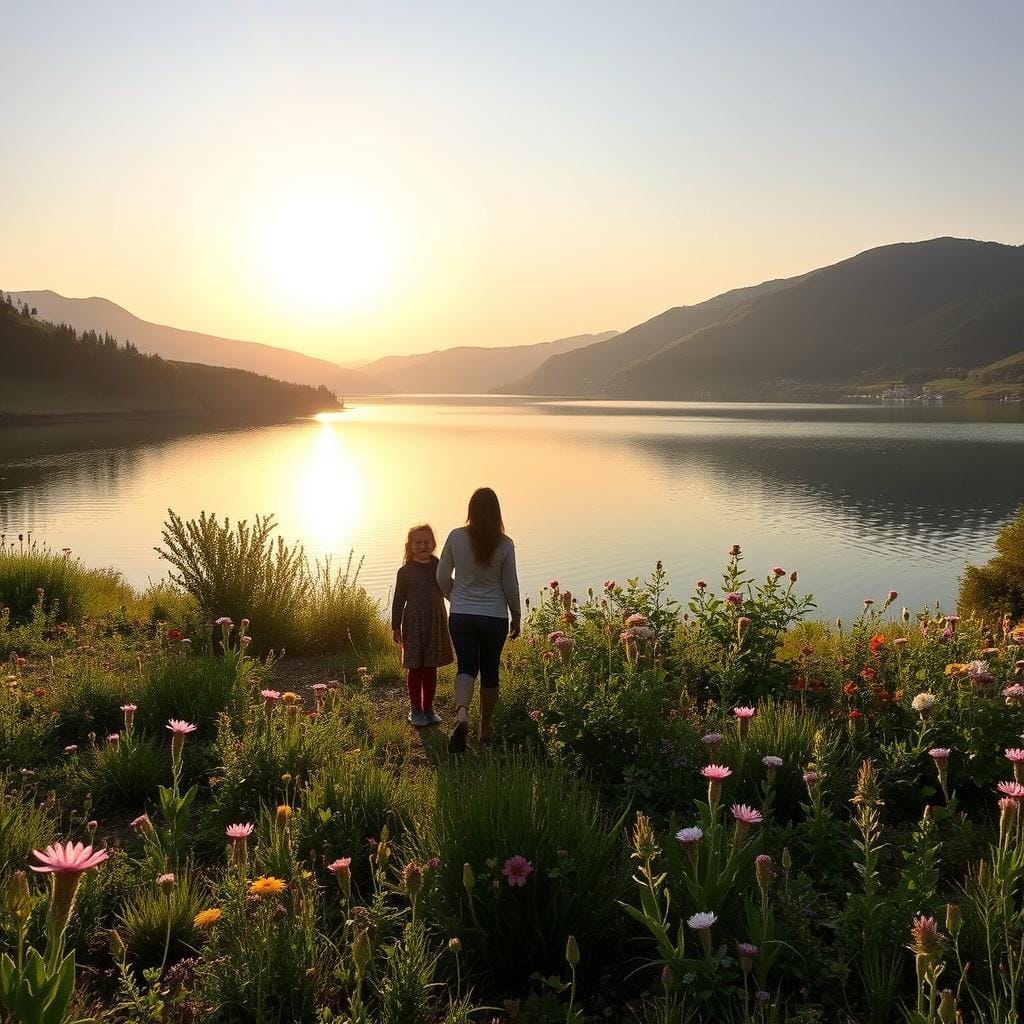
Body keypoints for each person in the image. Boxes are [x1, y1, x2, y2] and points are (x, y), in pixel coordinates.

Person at [437, 487, 521, 752]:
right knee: (490, 670)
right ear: (497, 512)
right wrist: (516, 616)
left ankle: (462, 715)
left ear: (470, 510)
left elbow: (440, 577)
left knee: (466, 667)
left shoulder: (455, 536)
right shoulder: (505, 544)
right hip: (494, 616)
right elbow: (511, 586)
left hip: (462, 615)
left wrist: (457, 599)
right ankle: (485, 727)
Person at [391, 523, 454, 727]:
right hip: (413, 623)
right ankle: (415, 710)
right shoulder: (405, 572)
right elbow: (398, 600)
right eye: (417, 542)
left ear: (433, 544)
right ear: (410, 546)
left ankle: (428, 708)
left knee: (430, 667)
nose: (422, 546)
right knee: (415, 667)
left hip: (435, 622)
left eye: (426, 542)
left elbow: (450, 589)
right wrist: (395, 626)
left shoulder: (439, 566)